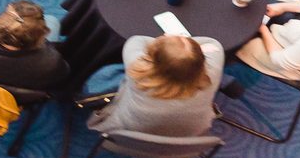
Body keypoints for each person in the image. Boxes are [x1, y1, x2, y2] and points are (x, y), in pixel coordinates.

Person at [87, 33, 225, 137]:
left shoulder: (138, 72)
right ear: (201, 62)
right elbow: (213, 42)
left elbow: (136, 40)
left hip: (131, 130)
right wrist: (187, 50)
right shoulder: (213, 72)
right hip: (190, 134)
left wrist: (164, 41)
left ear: (155, 60)